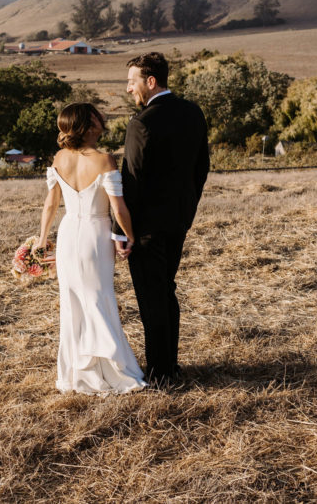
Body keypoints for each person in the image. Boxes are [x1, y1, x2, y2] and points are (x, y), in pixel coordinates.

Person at [114, 52, 209, 387]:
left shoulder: (142, 123)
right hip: (178, 221)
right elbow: (202, 169)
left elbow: (132, 182)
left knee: (152, 299)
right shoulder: (193, 113)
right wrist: (186, 208)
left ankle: (159, 371)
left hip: (146, 228)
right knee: (166, 291)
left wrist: (122, 232)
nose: (129, 89)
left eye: (132, 81)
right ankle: (170, 364)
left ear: (150, 81)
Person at [37, 102, 146, 394]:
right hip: (95, 236)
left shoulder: (60, 157)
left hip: (68, 233)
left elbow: (51, 203)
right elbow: (118, 207)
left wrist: (42, 237)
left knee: (73, 303)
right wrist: (129, 236)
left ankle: (76, 372)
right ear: (88, 125)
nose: (103, 117)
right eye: (97, 115)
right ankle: (112, 370)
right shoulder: (104, 160)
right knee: (99, 299)